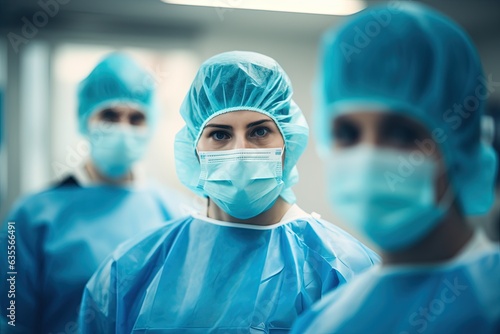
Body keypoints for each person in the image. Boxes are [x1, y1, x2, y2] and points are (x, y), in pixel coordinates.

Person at [78, 51, 380, 333]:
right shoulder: (131, 269)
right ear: (194, 148)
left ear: (289, 141)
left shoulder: (342, 270)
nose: (240, 151)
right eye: (219, 134)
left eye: (259, 131)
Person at [291, 3, 500, 334]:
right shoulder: (323, 322)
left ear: (459, 148)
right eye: (348, 133)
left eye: (402, 133)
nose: (368, 157)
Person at [0, 53, 187, 333]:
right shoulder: (27, 218)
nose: (123, 127)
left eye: (136, 118)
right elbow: (12, 317)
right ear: (86, 118)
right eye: (110, 115)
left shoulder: (176, 213)